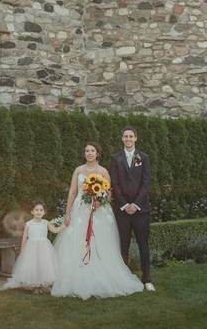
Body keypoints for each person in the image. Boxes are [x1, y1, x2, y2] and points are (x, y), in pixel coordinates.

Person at [51, 142, 144, 299]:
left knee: (100, 242)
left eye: (92, 150)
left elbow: (108, 193)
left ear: (97, 153)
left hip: (99, 211)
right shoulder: (78, 170)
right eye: (86, 150)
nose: (89, 153)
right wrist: (67, 213)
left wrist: (99, 201)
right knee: (77, 241)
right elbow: (73, 192)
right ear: (84, 153)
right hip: (80, 210)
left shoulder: (103, 171)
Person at [109, 125, 155, 291]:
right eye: (125, 136)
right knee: (123, 245)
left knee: (143, 244)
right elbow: (114, 183)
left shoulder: (143, 157)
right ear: (122, 139)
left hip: (140, 210)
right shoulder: (116, 158)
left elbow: (146, 182)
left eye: (131, 136)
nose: (128, 139)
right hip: (122, 210)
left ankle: (147, 278)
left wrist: (135, 204)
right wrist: (124, 204)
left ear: (136, 138)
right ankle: (125, 278)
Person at [3, 201, 63, 291]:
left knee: (43, 265)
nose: (39, 212)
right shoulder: (29, 224)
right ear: (32, 212)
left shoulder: (46, 223)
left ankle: (42, 285)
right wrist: (23, 251)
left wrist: (65, 225)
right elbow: (24, 238)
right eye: (36, 210)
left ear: (44, 212)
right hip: (31, 248)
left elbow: (55, 230)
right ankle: (35, 286)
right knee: (33, 265)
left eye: (41, 210)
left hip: (44, 247)